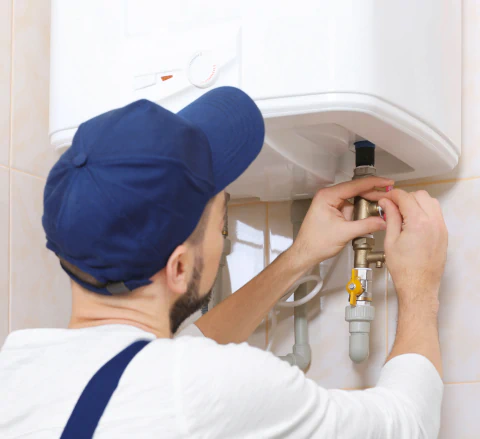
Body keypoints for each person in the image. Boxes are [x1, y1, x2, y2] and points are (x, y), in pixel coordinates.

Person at [0, 87, 447, 438]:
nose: (222, 231)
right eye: (221, 218)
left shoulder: (19, 368)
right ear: (178, 268)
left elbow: (175, 357)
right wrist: (420, 285)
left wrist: (300, 256)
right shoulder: (213, 388)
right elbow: (406, 426)